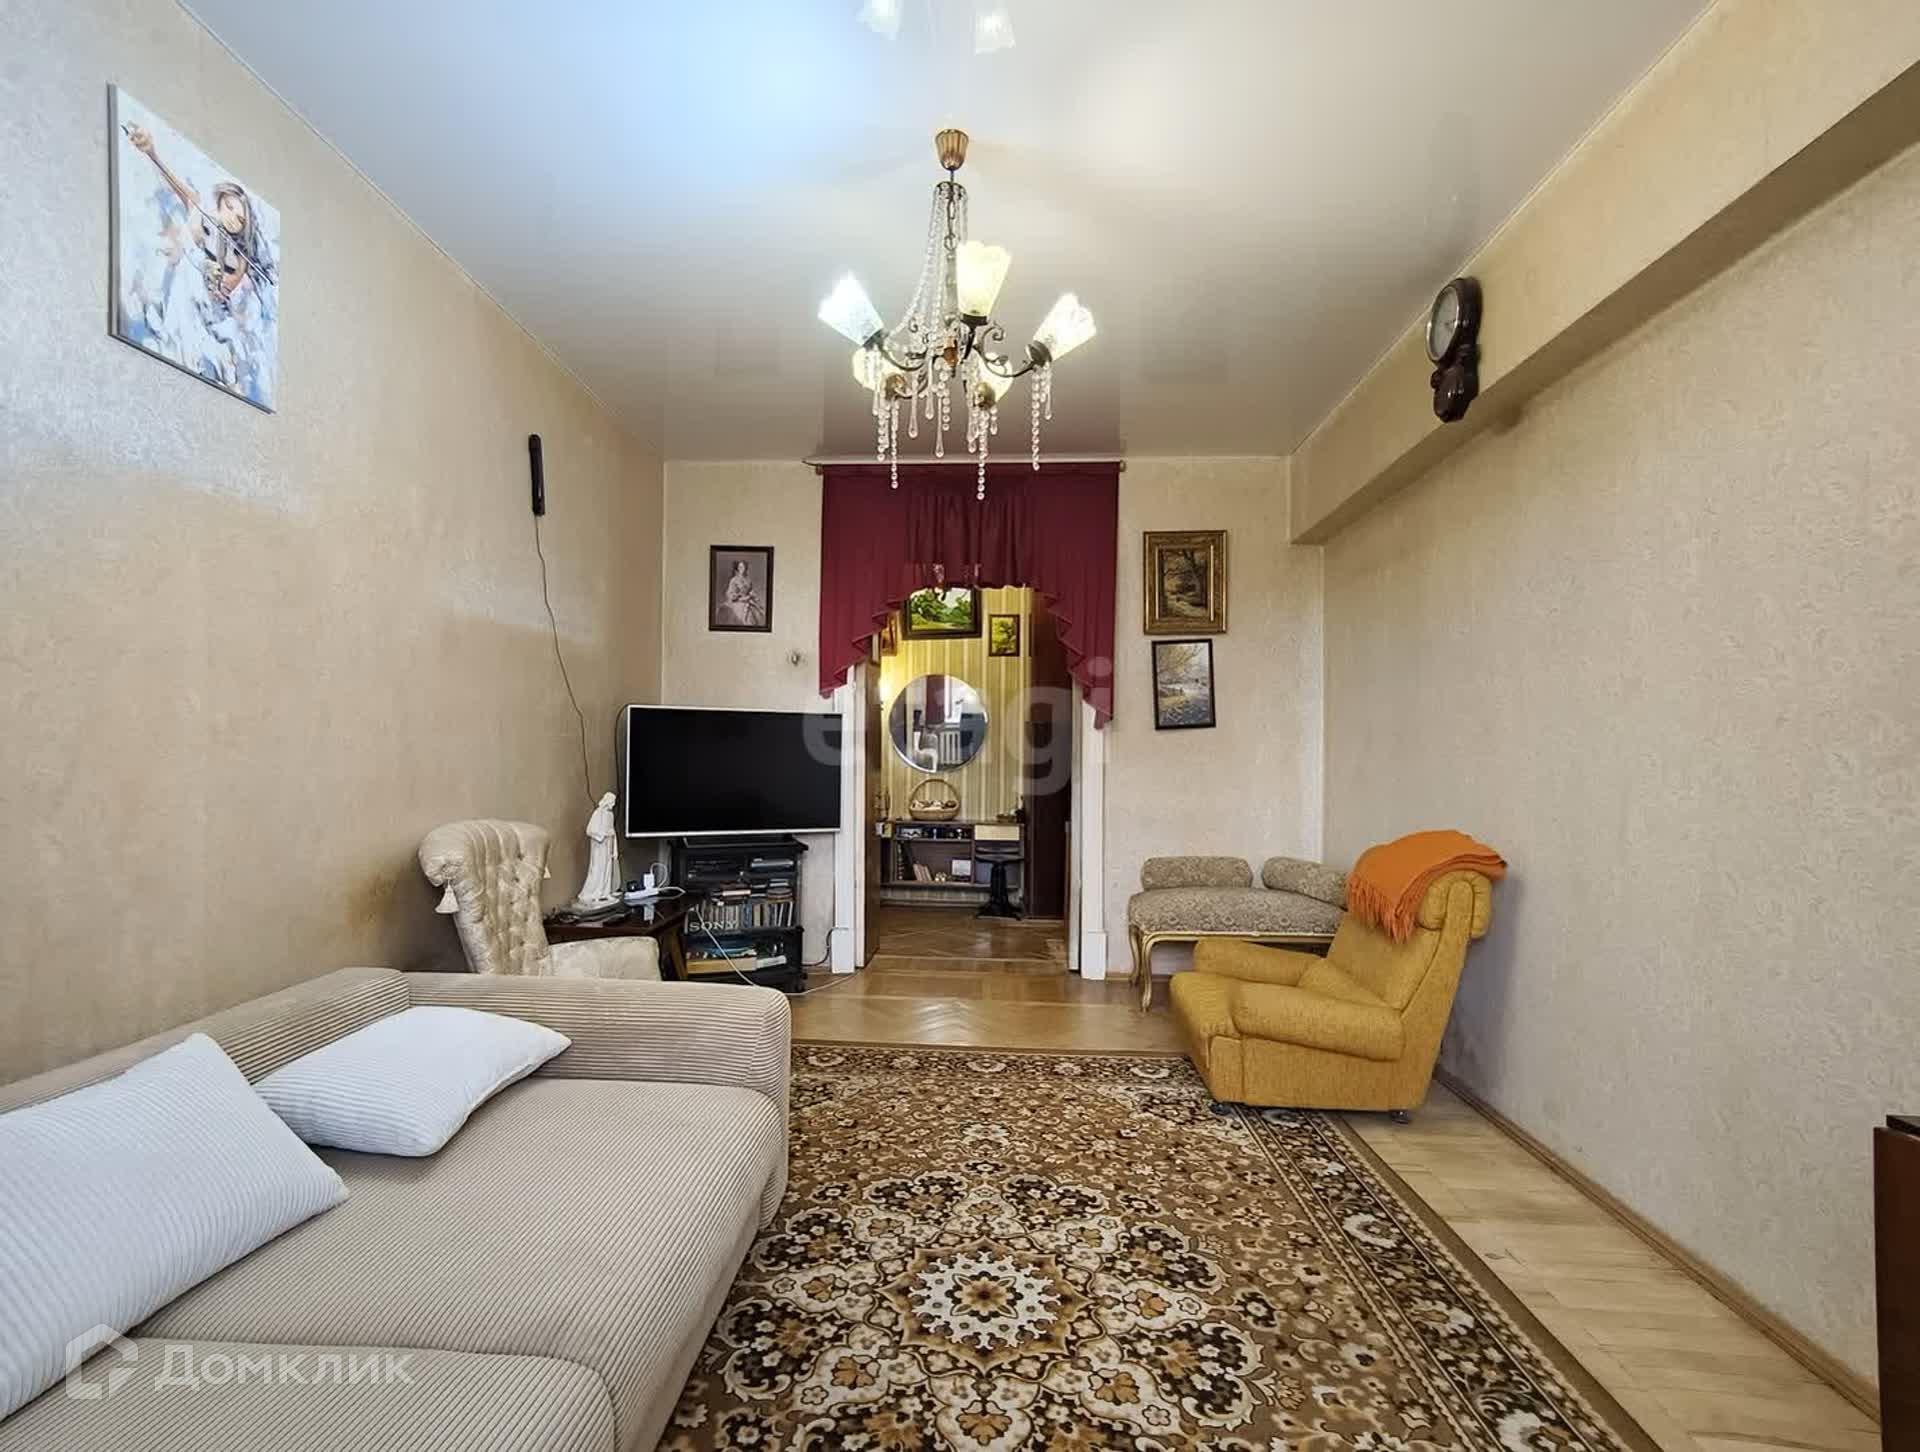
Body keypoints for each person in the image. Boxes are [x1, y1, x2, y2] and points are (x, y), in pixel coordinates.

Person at [122, 121, 276, 395]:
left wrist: (216, 281)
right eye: (230, 207)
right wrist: (151, 150)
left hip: (206, 313)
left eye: (240, 219)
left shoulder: (239, 260)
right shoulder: (200, 211)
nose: (233, 218)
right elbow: (170, 179)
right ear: (221, 202)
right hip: (180, 291)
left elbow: (221, 293)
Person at [719, 560, 765, 627]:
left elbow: (751, 590)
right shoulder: (734, 580)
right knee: (747, 616)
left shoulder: (748, 580)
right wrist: (740, 597)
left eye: (744, 567)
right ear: (738, 568)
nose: (742, 569)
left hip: (748, 600)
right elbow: (730, 593)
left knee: (759, 613)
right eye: (740, 567)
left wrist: (752, 595)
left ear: (746, 568)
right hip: (737, 601)